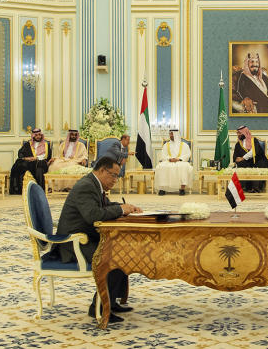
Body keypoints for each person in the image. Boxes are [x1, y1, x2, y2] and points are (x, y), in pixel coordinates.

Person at [48, 155, 142, 324]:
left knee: (123, 250)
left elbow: (103, 206)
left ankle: (110, 301)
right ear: (101, 170)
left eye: (117, 176)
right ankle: (98, 308)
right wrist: (121, 210)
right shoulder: (86, 186)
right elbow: (93, 215)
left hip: (85, 237)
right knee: (114, 258)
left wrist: (126, 208)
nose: (115, 180)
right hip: (73, 244)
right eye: (113, 175)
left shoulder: (94, 184)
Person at [10, 127, 54, 194]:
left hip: (41, 161)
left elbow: (48, 156)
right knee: (18, 165)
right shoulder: (28, 144)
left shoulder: (45, 144)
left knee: (39, 167)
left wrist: (37, 158)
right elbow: (20, 153)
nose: (38, 137)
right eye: (36, 135)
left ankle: (39, 190)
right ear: (33, 136)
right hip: (30, 162)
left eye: (39, 135)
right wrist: (27, 158)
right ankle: (18, 189)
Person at [155, 129, 193, 195]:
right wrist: (169, 159)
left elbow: (188, 154)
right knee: (161, 167)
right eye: (170, 134)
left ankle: (182, 189)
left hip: (181, 161)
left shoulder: (184, 145)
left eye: (172, 134)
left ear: (176, 135)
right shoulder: (166, 145)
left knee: (183, 167)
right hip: (168, 161)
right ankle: (162, 189)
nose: (170, 136)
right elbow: (163, 154)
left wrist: (179, 159)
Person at [233, 125, 268, 192]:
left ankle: (256, 188)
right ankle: (244, 188)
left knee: (259, 164)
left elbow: (254, 152)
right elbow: (235, 156)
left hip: (258, 160)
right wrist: (237, 159)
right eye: (237, 133)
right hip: (247, 162)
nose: (238, 135)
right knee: (242, 165)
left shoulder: (253, 140)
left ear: (244, 133)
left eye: (239, 133)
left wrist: (242, 158)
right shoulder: (238, 144)